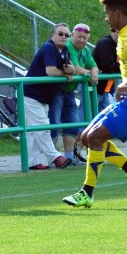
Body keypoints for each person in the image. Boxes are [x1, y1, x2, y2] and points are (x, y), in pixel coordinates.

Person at [63, 0, 127, 208]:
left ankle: (86, 193)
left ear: (117, 13)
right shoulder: (123, 34)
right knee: (86, 138)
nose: (105, 18)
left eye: (107, 14)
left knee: (95, 138)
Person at [23, 23, 73, 171]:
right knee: (43, 127)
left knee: (34, 130)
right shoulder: (49, 47)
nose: (64, 37)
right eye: (60, 34)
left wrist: (70, 70)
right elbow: (50, 70)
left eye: (66, 35)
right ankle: (55, 157)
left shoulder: (64, 49)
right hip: (32, 94)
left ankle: (32, 162)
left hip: (43, 96)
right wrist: (65, 74)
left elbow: (70, 67)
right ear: (52, 35)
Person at [52, 23, 98, 165]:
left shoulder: (85, 50)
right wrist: (90, 73)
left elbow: (93, 65)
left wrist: (94, 71)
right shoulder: (68, 47)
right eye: (79, 37)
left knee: (72, 125)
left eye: (85, 38)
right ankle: (53, 158)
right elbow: (76, 69)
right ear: (72, 35)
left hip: (69, 91)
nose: (82, 40)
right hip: (56, 90)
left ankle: (69, 158)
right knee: (53, 125)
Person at [92, 29, 120, 112]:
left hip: (106, 90)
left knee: (107, 118)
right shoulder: (105, 43)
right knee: (88, 117)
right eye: (118, 32)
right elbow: (107, 67)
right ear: (112, 32)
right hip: (95, 88)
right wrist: (120, 68)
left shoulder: (118, 45)